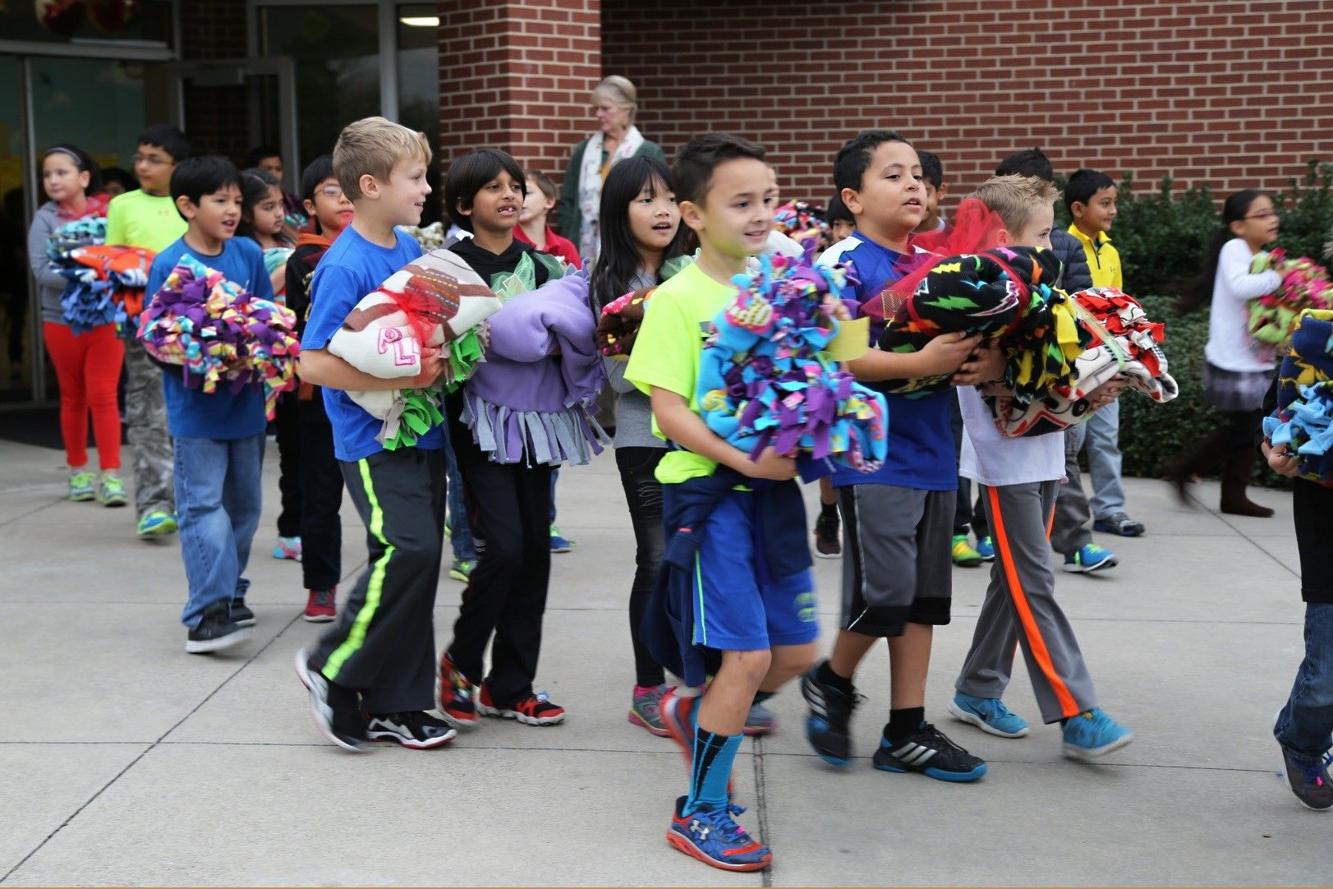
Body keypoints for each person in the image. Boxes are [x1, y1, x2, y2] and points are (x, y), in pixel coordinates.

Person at [627, 133, 816, 872]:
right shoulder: (676, 300)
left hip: (773, 496)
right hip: (709, 497)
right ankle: (701, 810)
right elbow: (668, 411)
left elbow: (832, 364)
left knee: (794, 653)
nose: (761, 213)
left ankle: (691, 706)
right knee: (746, 654)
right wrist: (747, 460)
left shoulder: (785, 284)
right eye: (741, 202)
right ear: (692, 214)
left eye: (768, 198)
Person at [801, 130, 985, 781]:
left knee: (923, 600)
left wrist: (979, 357)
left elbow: (974, 343)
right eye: (893, 175)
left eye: (919, 176)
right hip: (870, 453)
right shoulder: (842, 265)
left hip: (935, 450)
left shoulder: (942, 264)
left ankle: (905, 729)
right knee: (886, 593)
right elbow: (841, 356)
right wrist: (920, 361)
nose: (914, 185)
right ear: (851, 197)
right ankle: (831, 678)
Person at [947, 173, 1135, 761]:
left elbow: (1051, 376)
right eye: (1045, 234)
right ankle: (1076, 710)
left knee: (1015, 581)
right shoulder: (978, 295)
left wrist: (1093, 386)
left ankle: (977, 689)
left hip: (1044, 451)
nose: (1055, 247)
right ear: (1005, 235)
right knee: (1034, 581)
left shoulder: (1039, 291)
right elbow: (983, 376)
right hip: (1004, 463)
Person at [294, 117, 455, 751]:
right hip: (372, 439)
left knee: (419, 566)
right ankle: (332, 666)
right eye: (415, 177)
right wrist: (413, 376)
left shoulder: (407, 249)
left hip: (422, 434)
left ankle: (401, 703)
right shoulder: (344, 264)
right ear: (370, 184)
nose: (425, 187)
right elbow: (312, 361)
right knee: (407, 551)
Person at [436, 148, 582, 730]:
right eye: (493, 187)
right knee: (504, 549)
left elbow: (575, 330)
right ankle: (461, 664)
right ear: (463, 205)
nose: (509, 195)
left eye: (515, 185)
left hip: (539, 422)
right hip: (477, 425)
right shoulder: (447, 268)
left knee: (536, 551)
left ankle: (510, 685)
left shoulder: (548, 268)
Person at [144, 155, 272, 654]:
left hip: (246, 406)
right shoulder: (169, 264)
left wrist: (255, 353)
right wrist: (200, 358)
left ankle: (231, 592)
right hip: (195, 411)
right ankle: (205, 613)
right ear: (187, 205)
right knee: (203, 508)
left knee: (245, 509)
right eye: (220, 200)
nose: (232, 210)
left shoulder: (246, 254)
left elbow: (268, 320)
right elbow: (156, 339)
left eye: (238, 201)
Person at [588, 155, 688, 737]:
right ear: (619, 212)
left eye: (671, 198)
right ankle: (648, 686)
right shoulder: (610, 284)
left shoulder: (699, 270)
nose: (664, 211)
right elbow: (623, 381)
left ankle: (704, 678)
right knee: (654, 560)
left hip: (704, 437)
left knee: (702, 559)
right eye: (647, 199)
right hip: (644, 441)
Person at [993, 147, 1117, 573]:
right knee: (1001, 474)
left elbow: (1084, 306)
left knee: (1061, 461)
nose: (1044, 246)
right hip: (1002, 394)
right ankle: (986, 533)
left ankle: (1075, 542)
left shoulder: (1064, 244)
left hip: (1057, 379)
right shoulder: (985, 254)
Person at [1163, 189, 1282, 517]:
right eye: (1262, 214)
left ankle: (1231, 494)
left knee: (1247, 428)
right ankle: (1185, 470)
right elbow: (1241, 287)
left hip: (1252, 359)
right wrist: (1280, 277)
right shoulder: (1235, 249)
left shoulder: (1257, 254)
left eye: (1272, 212)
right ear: (1238, 226)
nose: (1272, 219)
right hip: (1233, 361)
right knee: (1244, 428)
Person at [105, 123, 190, 539]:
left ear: (178, 167)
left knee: (189, 414)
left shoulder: (191, 204)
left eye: (154, 160)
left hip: (195, 325)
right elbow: (114, 263)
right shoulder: (122, 205)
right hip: (143, 326)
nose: (142, 166)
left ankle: (192, 499)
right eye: (139, 157)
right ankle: (155, 504)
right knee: (148, 414)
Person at [28, 144, 124, 506]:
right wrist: (90, 275)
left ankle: (111, 475)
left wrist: (109, 273)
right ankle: (77, 470)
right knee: (73, 396)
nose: (53, 180)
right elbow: (41, 271)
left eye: (61, 172)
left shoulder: (110, 214)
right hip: (60, 320)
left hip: (105, 318)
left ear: (83, 177)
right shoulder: (44, 219)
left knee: (103, 395)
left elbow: (124, 254)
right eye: (48, 174)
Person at [283, 155, 352, 623]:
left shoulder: (384, 247)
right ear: (310, 204)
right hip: (318, 397)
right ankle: (321, 586)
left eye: (351, 188)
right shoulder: (306, 258)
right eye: (332, 190)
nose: (344, 198)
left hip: (379, 388)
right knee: (320, 495)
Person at [1065, 168, 1143, 538]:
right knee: (1072, 442)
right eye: (1105, 203)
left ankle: (1110, 509)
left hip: (1109, 360)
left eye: (1114, 203)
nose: (1113, 211)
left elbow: (1118, 305)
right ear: (1078, 208)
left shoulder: (1109, 250)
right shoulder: (1061, 246)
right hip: (1078, 364)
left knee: (1105, 438)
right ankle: (1065, 515)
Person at [1264, 408, 1333, 810]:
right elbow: (1275, 417)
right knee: (1325, 681)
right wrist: (1274, 452)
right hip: (1326, 516)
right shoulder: (1310, 349)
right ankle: (1303, 742)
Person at [239, 167, 302, 566]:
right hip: (259, 366)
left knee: (295, 451)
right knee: (252, 451)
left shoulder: (291, 240)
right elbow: (259, 292)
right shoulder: (243, 252)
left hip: (294, 363)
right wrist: (292, 264)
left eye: (280, 205)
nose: (278, 213)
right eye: (267, 207)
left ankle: (292, 529)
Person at [555, 75, 667, 263]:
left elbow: (657, 200)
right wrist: (569, 237)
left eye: (605, 108)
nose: (598, 114)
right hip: (582, 247)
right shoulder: (584, 150)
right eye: (596, 109)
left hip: (629, 247)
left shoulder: (648, 151)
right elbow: (568, 200)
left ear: (626, 110)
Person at [515, 170, 581, 267]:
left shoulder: (565, 247)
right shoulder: (503, 242)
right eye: (516, 193)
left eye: (527, 193)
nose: (519, 198)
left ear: (549, 202)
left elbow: (578, 281)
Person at [915, 149, 948, 233]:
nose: (915, 202)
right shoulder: (887, 241)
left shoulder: (957, 239)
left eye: (925, 193)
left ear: (941, 191)